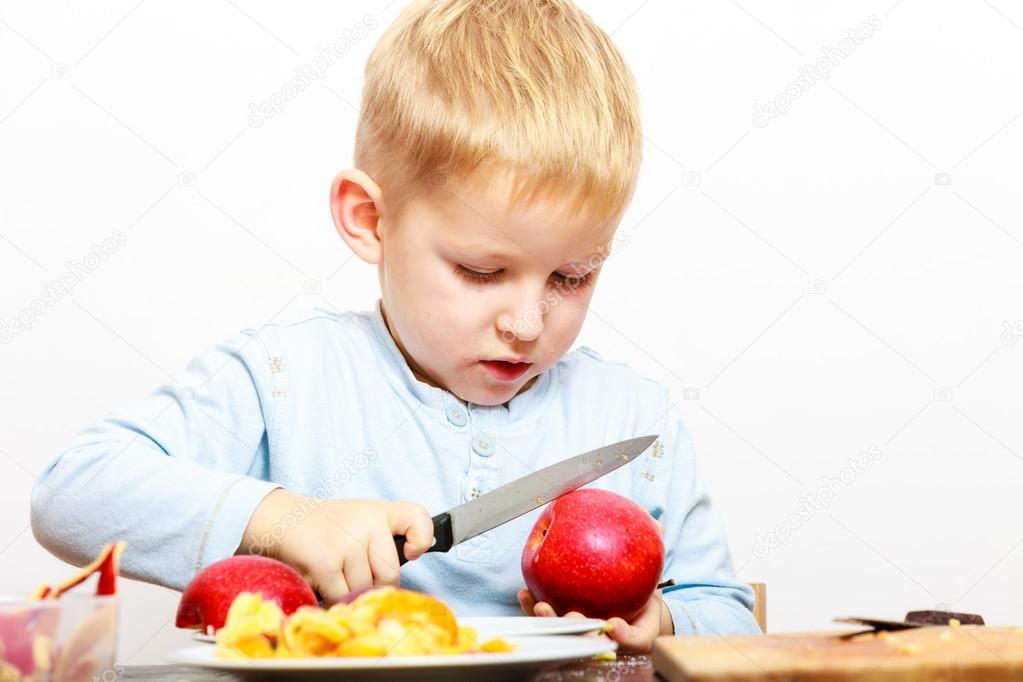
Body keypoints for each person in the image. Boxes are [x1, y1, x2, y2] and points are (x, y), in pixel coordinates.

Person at [31, 0, 760, 653]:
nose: (525, 322)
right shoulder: (285, 380)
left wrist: (660, 622)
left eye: (572, 276)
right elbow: (72, 494)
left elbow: (727, 619)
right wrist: (283, 521)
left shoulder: (632, 417)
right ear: (370, 220)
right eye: (480, 272)